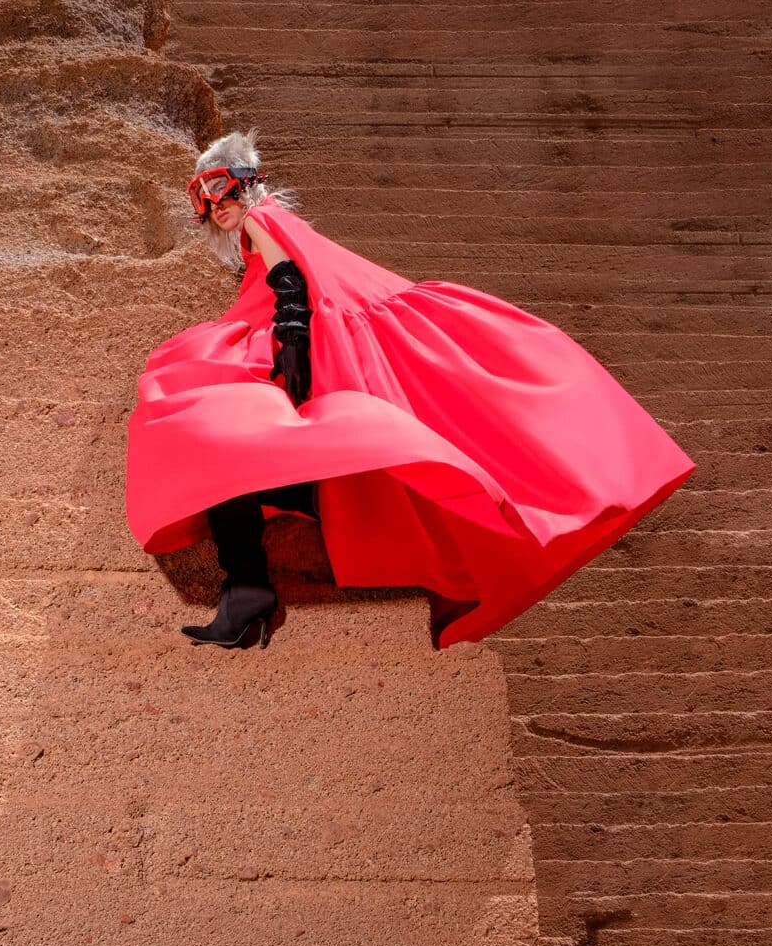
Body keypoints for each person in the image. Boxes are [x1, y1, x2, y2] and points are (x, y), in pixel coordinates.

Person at [123, 128, 696, 651]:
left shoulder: (260, 221)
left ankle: (247, 593)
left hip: (313, 360)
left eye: (223, 190)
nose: (218, 207)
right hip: (320, 362)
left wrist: (294, 346)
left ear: (247, 183)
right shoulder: (266, 230)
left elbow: (290, 284)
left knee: (209, 433)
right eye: (205, 200)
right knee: (250, 469)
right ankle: (248, 593)